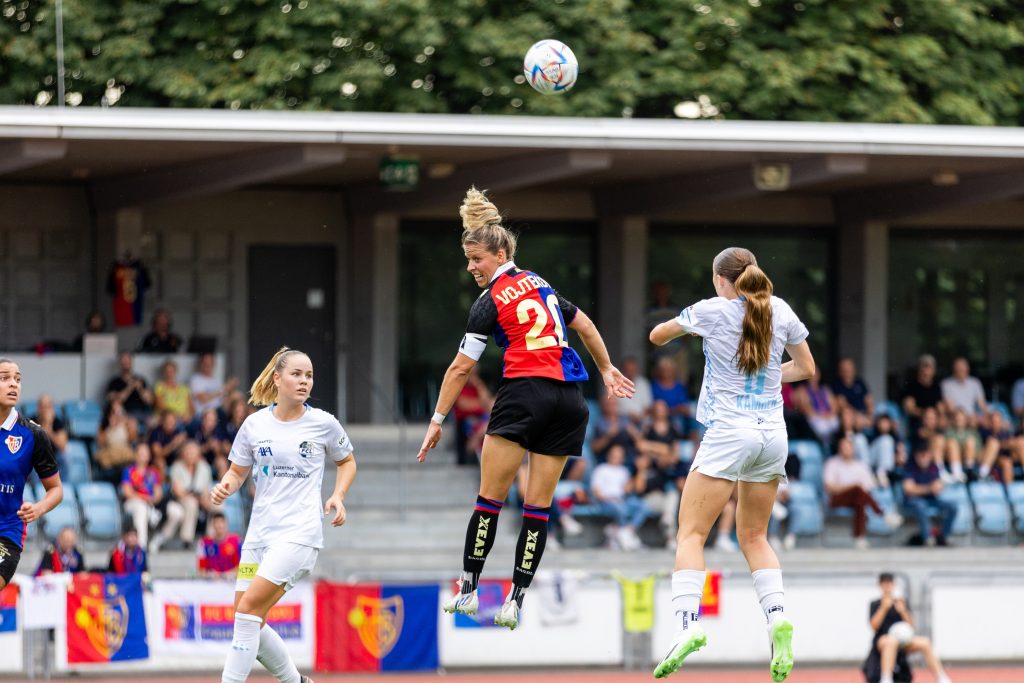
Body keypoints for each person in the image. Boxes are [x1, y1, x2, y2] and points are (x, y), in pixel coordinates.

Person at [416, 187, 633, 630]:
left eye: (476, 258)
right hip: (570, 400)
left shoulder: (489, 301)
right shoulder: (543, 284)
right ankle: (516, 599)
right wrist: (606, 369)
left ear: (499, 253)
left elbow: (460, 369)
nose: (471, 267)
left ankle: (470, 589)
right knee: (538, 508)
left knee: (490, 500)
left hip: (525, 392)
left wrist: (437, 420)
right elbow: (585, 324)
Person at [648, 246, 815, 681]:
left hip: (729, 432)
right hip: (773, 435)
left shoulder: (713, 310)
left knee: (691, 533)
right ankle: (776, 616)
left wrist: (688, 325)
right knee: (755, 536)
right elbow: (807, 367)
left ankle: (688, 625)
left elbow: (657, 337)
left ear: (722, 279)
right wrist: (766, 371)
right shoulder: (780, 309)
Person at [211, 347, 355, 683]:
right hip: (258, 536)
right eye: (297, 374)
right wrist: (225, 486)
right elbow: (236, 472)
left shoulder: (323, 423)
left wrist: (338, 495)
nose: (304, 381)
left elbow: (347, 461)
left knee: (247, 613)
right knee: (247, 619)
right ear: (277, 379)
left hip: (298, 535)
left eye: (309, 376)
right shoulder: (254, 424)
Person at [0, 358, 64, 590]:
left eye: (17, 379)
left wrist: (39, 508)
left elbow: (56, 490)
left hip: (6, 530)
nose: (13, 384)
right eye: (5, 378)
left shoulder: (32, 434)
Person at [866, 572, 952, 683]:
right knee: (891, 642)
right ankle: (886, 678)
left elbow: (911, 624)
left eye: (889, 583)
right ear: (880, 585)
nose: (887, 587)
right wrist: (884, 608)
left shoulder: (901, 602)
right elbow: (874, 626)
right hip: (883, 639)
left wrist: (903, 611)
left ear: (893, 585)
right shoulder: (875, 604)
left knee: (925, 642)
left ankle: (941, 677)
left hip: (903, 639)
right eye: (884, 584)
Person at [823, 436, 902, 549]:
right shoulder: (832, 463)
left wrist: (856, 488)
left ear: (853, 449)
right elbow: (829, 487)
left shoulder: (860, 466)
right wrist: (852, 486)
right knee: (858, 492)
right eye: (843, 447)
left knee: (860, 499)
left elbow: (868, 488)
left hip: (856, 499)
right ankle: (883, 514)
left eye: (848, 447)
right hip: (836, 499)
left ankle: (860, 538)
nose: (845, 449)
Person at [152, 441, 213, 552]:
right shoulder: (177, 467)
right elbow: (178, 491)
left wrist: (205, 498)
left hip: (199, 498)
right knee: (191, 503)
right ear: (183, 454)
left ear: (198, 454)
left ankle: (212, 538)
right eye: (188, 452)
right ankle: (187, 540)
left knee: (217, 503)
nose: (190, 455)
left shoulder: (204, 467)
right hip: (180, 499)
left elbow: (206, 487)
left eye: (193, 452)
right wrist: (197, 498)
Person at [591, 444, 652, 550]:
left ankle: (627, 531)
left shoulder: (624, 471)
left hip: (622, 500)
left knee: (642, 505)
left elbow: (629, 490)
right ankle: (624, 535)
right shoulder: (601, 469)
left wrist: (639, 470)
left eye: (619, 456)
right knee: (619, 507)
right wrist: (609, 498)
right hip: (606, 501)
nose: (616, 458)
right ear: (609, 456)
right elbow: (596, 492)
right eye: (614, 455)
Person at [902, 448, 958, 546]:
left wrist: (935, 488)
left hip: (931, 500)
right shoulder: (910, 468)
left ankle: (944, 537)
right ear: (916, 456)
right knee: (920, 505)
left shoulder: (934, 468)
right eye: (921, 455)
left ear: (929, 455)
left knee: (953, 506)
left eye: (925, 455)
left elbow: (938, 486)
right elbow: (908, 489)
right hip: (914, 501)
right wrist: (928, 488)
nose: (923, 459)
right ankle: (927, 538)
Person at [121, 443, 163, 548]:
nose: (143, 456)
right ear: (135, 455)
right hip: (131, 503)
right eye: (140, 454)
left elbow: (158, 493)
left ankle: (156, 541)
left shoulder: (153, 473)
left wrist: (154, 499)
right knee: (141, 508)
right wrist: (145, 498)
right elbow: (127, 492)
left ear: (149, 456)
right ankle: (141, 545)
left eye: (145, 454)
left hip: (150, 504)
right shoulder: (129, 471)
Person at [453, 367, 494, 465]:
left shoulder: (478, 387)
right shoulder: (458, 387)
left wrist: (478, 384)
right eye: (470, 373)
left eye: (475, 374)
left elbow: (489, 405)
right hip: (466, 423)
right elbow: (464, 405)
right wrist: (483, 404)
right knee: (485, 427)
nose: (472, 376)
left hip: (482, 420)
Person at [94, 399, 140, 483]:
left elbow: (133, 438)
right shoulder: (104, 426)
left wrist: (131, 426)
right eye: (114, 412)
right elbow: (100, 442)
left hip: (125, 456)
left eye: (120, 411)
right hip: (110, 456)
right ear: (109, 413)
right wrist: (110, 428)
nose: (118, 415)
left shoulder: (126, 424)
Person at [106, 352, 156, 424]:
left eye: (128, 361)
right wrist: (130, 386)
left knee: (155, 423)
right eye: (123, 361)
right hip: (126, 414)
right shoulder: (114, 382)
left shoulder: (141, 379)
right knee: (132, 423)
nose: (126, 363)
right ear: (119, 364)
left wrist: (140, 389)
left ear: (131, 362)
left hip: (143, 413)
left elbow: (149, 400)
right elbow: (117, 400)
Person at [901, 354, 945, 434]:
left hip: (934, 421)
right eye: (924, 366)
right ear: (919, 369)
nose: (927, 370)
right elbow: (909, 408)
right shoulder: (911, 386)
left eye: (930, 367)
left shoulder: (936, 387)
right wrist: (926, 415)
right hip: (918, 422)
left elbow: (940, 406)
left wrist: (940, 417)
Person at [794, 367, 840, 443]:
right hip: (815, 417)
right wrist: (821, 415)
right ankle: (825, 447)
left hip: (828, 416)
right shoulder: (802, 390)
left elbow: (834, 406)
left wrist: (830, 414)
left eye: (816, 373)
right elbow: (806, 408)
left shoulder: (825, 389)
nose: (814, 376)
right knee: (822, 428)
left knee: (835, 424)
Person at [940, 357, 987, 427]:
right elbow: (949, 407)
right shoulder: (946, 384)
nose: (961, 369)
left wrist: (986, 416)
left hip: (972, 416)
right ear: (954, 369)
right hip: (955, 416)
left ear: (968, 369)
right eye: (958, 367)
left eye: (963, 367)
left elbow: (982, 404)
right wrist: (964, 417)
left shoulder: (975, 383)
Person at [650, 357, 692, 435]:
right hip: (659, 416)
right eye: (664, 370)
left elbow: (684, 406)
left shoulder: (679, 386)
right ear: (660, 371)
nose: (667, 372)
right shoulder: (654, 386)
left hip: (677, 416)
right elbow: (653, 405)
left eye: (669, 370)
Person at [832, 358, 875, 431]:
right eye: (844, 369)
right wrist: (857, 416)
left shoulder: (860, 382)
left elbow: (869, 400)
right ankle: (849, 438)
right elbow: (842, 404)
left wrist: (869, 415)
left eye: (849, 368)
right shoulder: (837, 385)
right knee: (846, 414)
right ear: (840, 371)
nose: (847, 371)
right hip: (850, 416)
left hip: (864, 416)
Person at [197, 512, 241, 578]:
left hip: (232, 582)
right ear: (212, 525)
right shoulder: (204, 544)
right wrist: (209, 575)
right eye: (216, 522)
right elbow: (201, 570)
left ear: (226, 524)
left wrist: (230, 574)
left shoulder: (236, 541)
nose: (219, 525)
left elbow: (242, 566)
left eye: (221, 522)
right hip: (211, 584)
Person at [154, 360, 194, 425]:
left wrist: (189, 416)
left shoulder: (184, 388)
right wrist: (177, 416)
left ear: (175, 372)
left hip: (185, 419)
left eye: (171, 371)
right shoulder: (160, 386)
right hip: (168, 418)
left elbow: (192, 408)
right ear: (163, 373)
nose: (169, 373)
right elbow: (160, 406)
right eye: (166, 371)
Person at [619, 356, 653, 425]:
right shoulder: (616, 384)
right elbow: (612, 406)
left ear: (636, 369)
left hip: (642, 419)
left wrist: (640, 416)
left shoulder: (644, 383)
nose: (630, 372)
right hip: (622, 419)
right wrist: (629, 415)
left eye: (632, 369)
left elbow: (649, 406)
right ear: (622, 370)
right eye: (628, 369)